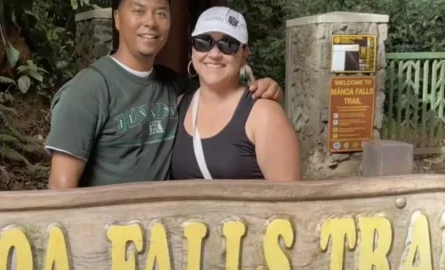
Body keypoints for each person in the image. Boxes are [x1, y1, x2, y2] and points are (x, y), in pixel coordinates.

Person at [45, 0, 283, 190]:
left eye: (161, 13)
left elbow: (220, 90)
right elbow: (60, 190)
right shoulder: (85, 92)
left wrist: (266, 88)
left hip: (165, 237)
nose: (150, 22)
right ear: (117, 19)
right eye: (139, 10)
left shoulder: (174, 86)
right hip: (109, 237)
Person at [169, 6, 300, 270]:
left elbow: (294, 209)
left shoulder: (263, 113)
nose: (214, 53)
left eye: (228, 44)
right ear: (191, 50)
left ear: (244, 54)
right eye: (204, 42)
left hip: (259, 268)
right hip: (200, 268)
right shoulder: (180, 103)